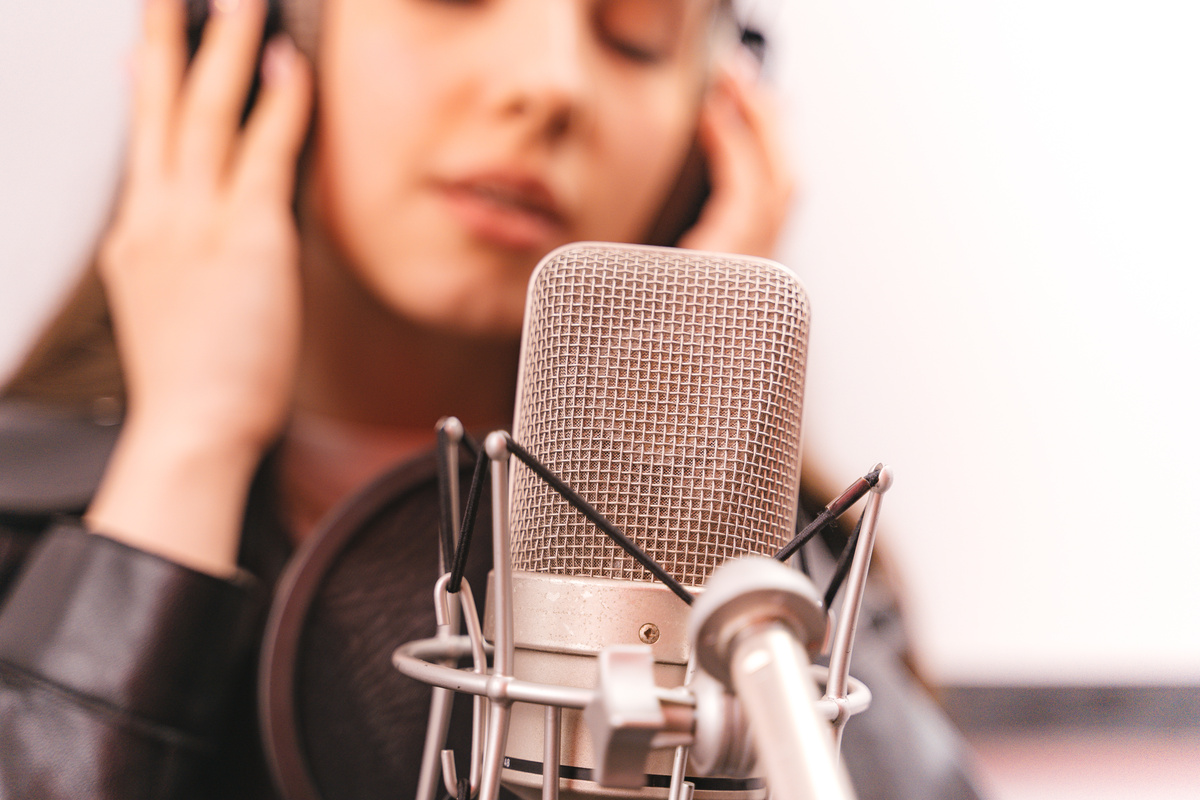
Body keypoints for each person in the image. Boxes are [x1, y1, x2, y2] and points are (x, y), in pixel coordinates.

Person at [0, 0, 985, 798]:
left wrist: (700, 479)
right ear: (261, 33)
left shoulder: (812, 576)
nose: (550, 83)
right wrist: (185, 446)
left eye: (636, 33)